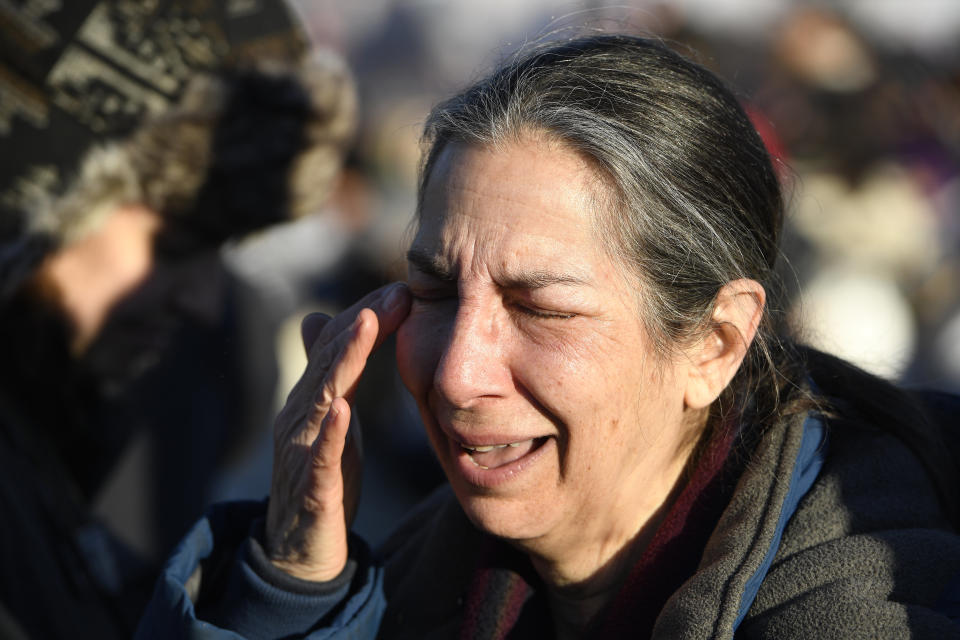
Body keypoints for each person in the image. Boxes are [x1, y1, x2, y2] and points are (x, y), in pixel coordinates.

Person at [138, 35, 960, 639]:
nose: (458, 374)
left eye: (542, 308)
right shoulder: (429, 568)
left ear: (713, 345)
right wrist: (292, 581)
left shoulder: (859, 604)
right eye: (432, 289)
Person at [0, 3, 357, 636]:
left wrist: (285, 586)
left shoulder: (118, 391)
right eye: (174, 245)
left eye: (221, 249)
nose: (202, 301)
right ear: (34, 196)